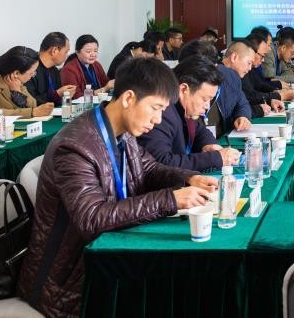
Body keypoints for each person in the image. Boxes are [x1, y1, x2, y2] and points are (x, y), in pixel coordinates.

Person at [17, 58, 217, 318]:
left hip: (108, 259)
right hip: (69, 281)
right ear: (129, 98)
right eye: (155, 108)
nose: (158, 120)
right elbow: (92, 218)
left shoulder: (121, 131)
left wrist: (190, 178)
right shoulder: (74, 147)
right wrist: (171, 199)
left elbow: (148, 168)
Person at [137, 56, 240, 171]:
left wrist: (209, 145)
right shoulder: (162, 113)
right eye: (205, 99)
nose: (207, 106)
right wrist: (214, 158)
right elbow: (161, 163)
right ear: (183, 90)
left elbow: (200, 131)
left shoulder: (183, 108)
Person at [0, 46, 54, 118]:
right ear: (16, 73)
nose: (33, 76)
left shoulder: (15, 80)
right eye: (31, 73)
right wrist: (32, 112)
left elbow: (33, 104)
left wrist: (18, 92)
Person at [214, 41, 260, 130]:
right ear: (234, 57)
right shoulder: (212, 73)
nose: (250, 68)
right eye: (249, 63)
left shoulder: (235, 78)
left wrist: (242, 116)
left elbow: (243, 103)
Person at [241, 33, 287, 116]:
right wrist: (278, 96)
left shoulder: (250, 69)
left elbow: (258, 86)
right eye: (262, 56)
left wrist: (271, 99)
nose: (263, 60)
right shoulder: (238, 71)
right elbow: (249, 97)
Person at [25, 32, 76, 106]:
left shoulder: (54, 70)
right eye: (66, 52)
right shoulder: (29, 69)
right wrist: (57, 94)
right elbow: (29, 102)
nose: (67, 56)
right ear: (54, 50)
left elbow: (59, 101)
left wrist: (66, 96)